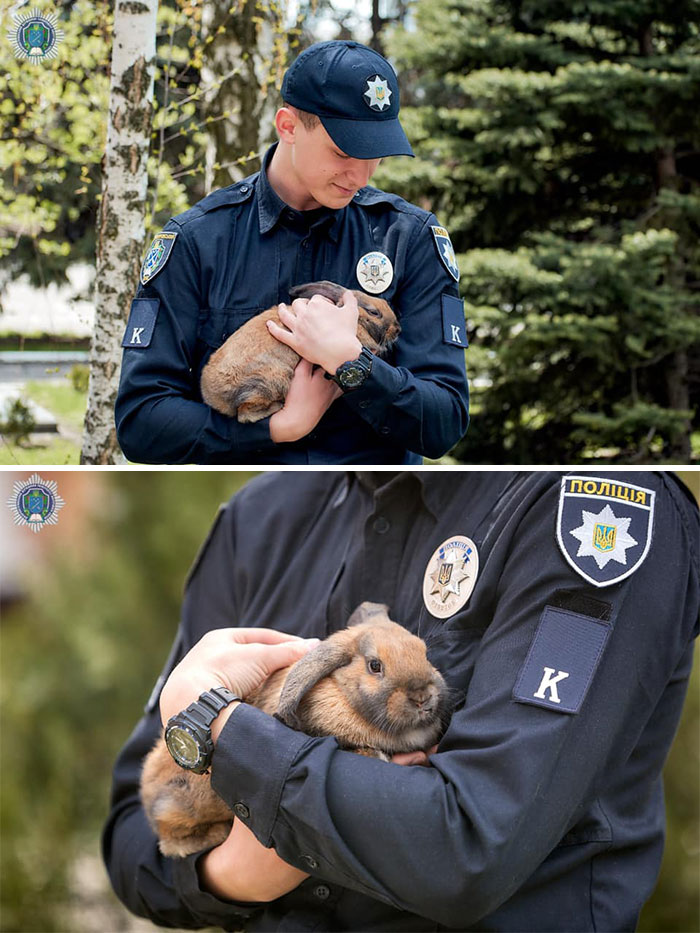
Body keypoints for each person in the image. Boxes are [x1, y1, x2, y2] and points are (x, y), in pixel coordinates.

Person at [103, 470, 699, 932]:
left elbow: (470, 847)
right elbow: (134, 834)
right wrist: (235, 875)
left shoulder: (589, 510)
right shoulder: (258, 519)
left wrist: (217, 726)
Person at [114, 41, 469, 464]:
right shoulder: (198, 241)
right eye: (343, 151)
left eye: (374, 154)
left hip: (368, 508)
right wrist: (279, 428)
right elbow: (141, 422)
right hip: (248, 508)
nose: (359, 174)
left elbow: (444, 421)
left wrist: (351, 364)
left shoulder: (409, 238)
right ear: (288, 126)